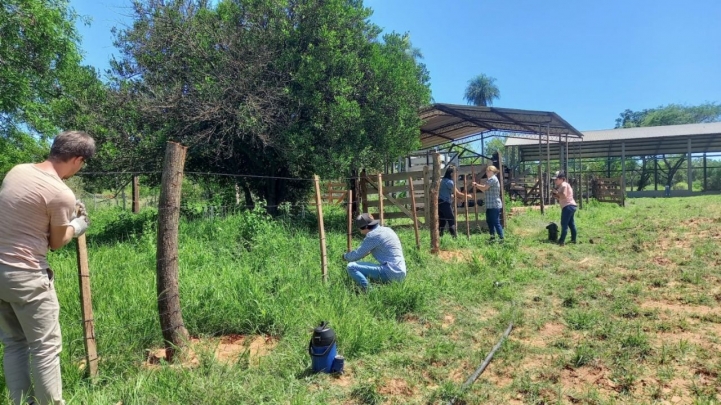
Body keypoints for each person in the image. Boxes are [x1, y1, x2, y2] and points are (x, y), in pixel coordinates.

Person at [0, 130, 95, 405]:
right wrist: (77, 226)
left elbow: (27, 211)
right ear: (77, 159)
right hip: (26, 275)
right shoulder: (61, 193)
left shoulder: (17, 171)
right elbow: (56, 242)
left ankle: (20, 402)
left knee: (14, 343)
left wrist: (62, 212)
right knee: (45, 348)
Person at [343, 213, 406, 292]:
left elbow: (356, 255)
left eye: (359, 228)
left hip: (391, 272)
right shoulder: (387, 230)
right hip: (401, 271)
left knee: (351, 266)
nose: (359, 231)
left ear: (365, 227)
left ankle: (369, 291)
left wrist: (344, 256)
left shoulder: (372, 236)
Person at [472, 165, 504, 242]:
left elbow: (485, 188)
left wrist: (476, 185)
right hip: (490, 204)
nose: (487, 172)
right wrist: (477, 186)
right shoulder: (490, 179)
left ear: (493, 172)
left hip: (494, 204)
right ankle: (492, 237)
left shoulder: (493, 179)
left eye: (488, 171)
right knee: (489, 221)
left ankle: (501, 238)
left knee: (495, 221)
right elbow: (484, 189)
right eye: (486, 171)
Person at [438, 166, 472, 238]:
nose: (457, 174)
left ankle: (439, 238)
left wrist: (457, 198)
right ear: (451, 174)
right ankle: (455, 238)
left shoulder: (443, 181)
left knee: (442, 221)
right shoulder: (450, 182)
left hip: (439, 203)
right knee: (451, 220)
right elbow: (457, 193)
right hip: (445, 203)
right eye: (456, 173)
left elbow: (447, 193)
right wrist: (467, 196)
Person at [551, 171, 577, 246]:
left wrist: (556, 192)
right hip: (571, 206)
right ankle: (573, 239)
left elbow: (564, 195)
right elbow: (561, 197)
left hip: (568, 206)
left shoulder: (564, 185)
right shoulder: (563, 185)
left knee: (564, 224)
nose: (555, 181)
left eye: (556, 179)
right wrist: (555, 195)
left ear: (562, 179)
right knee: (571, 224)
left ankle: (561, 241)